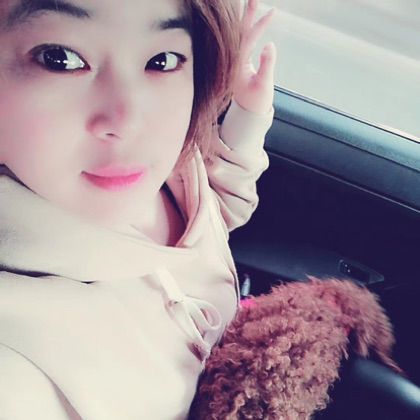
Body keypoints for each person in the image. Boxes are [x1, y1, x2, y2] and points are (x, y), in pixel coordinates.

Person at [0, 0, 276, 418]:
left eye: (162, 60)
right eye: (60, 59)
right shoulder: (19, 365)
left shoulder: (173, 172)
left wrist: (247, 115)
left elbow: (212, 215)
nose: (129, 120)